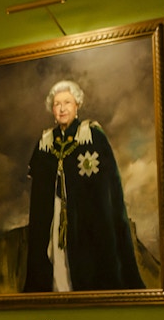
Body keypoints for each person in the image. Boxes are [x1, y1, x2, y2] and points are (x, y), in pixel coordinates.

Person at [23, 79, 145, 293]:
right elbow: (40, 192)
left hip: (87, 220)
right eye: (57, 104)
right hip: (55, 216)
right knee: (56, 257)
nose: (61, 109)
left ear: (76, 105)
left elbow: (107, 187)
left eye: (67, 103)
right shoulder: (45, 142)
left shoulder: (91, 136)